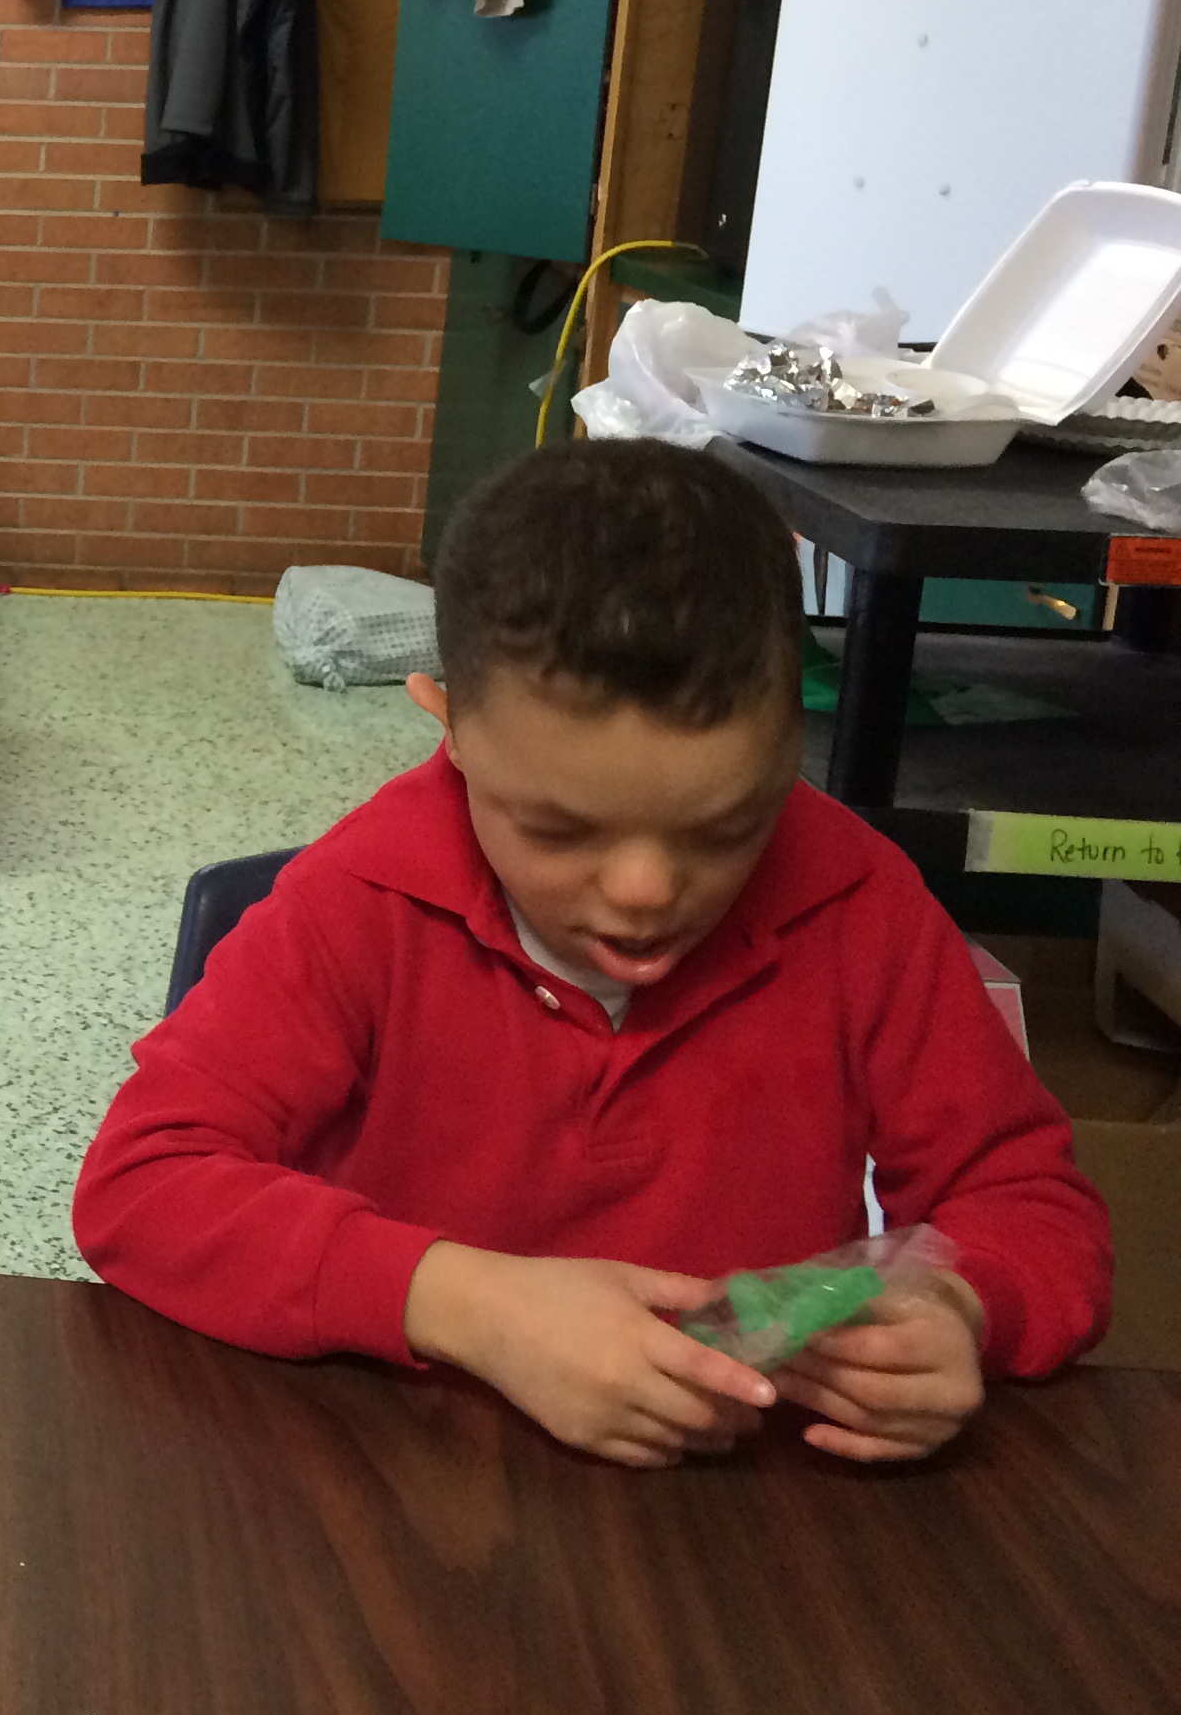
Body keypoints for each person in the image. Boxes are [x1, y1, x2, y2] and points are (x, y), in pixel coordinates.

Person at [73, 440, 1109, 1468]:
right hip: (409, 1474)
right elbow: (142, 1185)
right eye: (561, 832)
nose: (645, 892)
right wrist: (467, 1305)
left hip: (746, 1502)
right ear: (446, 723)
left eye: (726, 827)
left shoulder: (858, 903)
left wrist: (963, 1305)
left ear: (797, 740)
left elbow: (1032, 1206)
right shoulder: (361, 904)